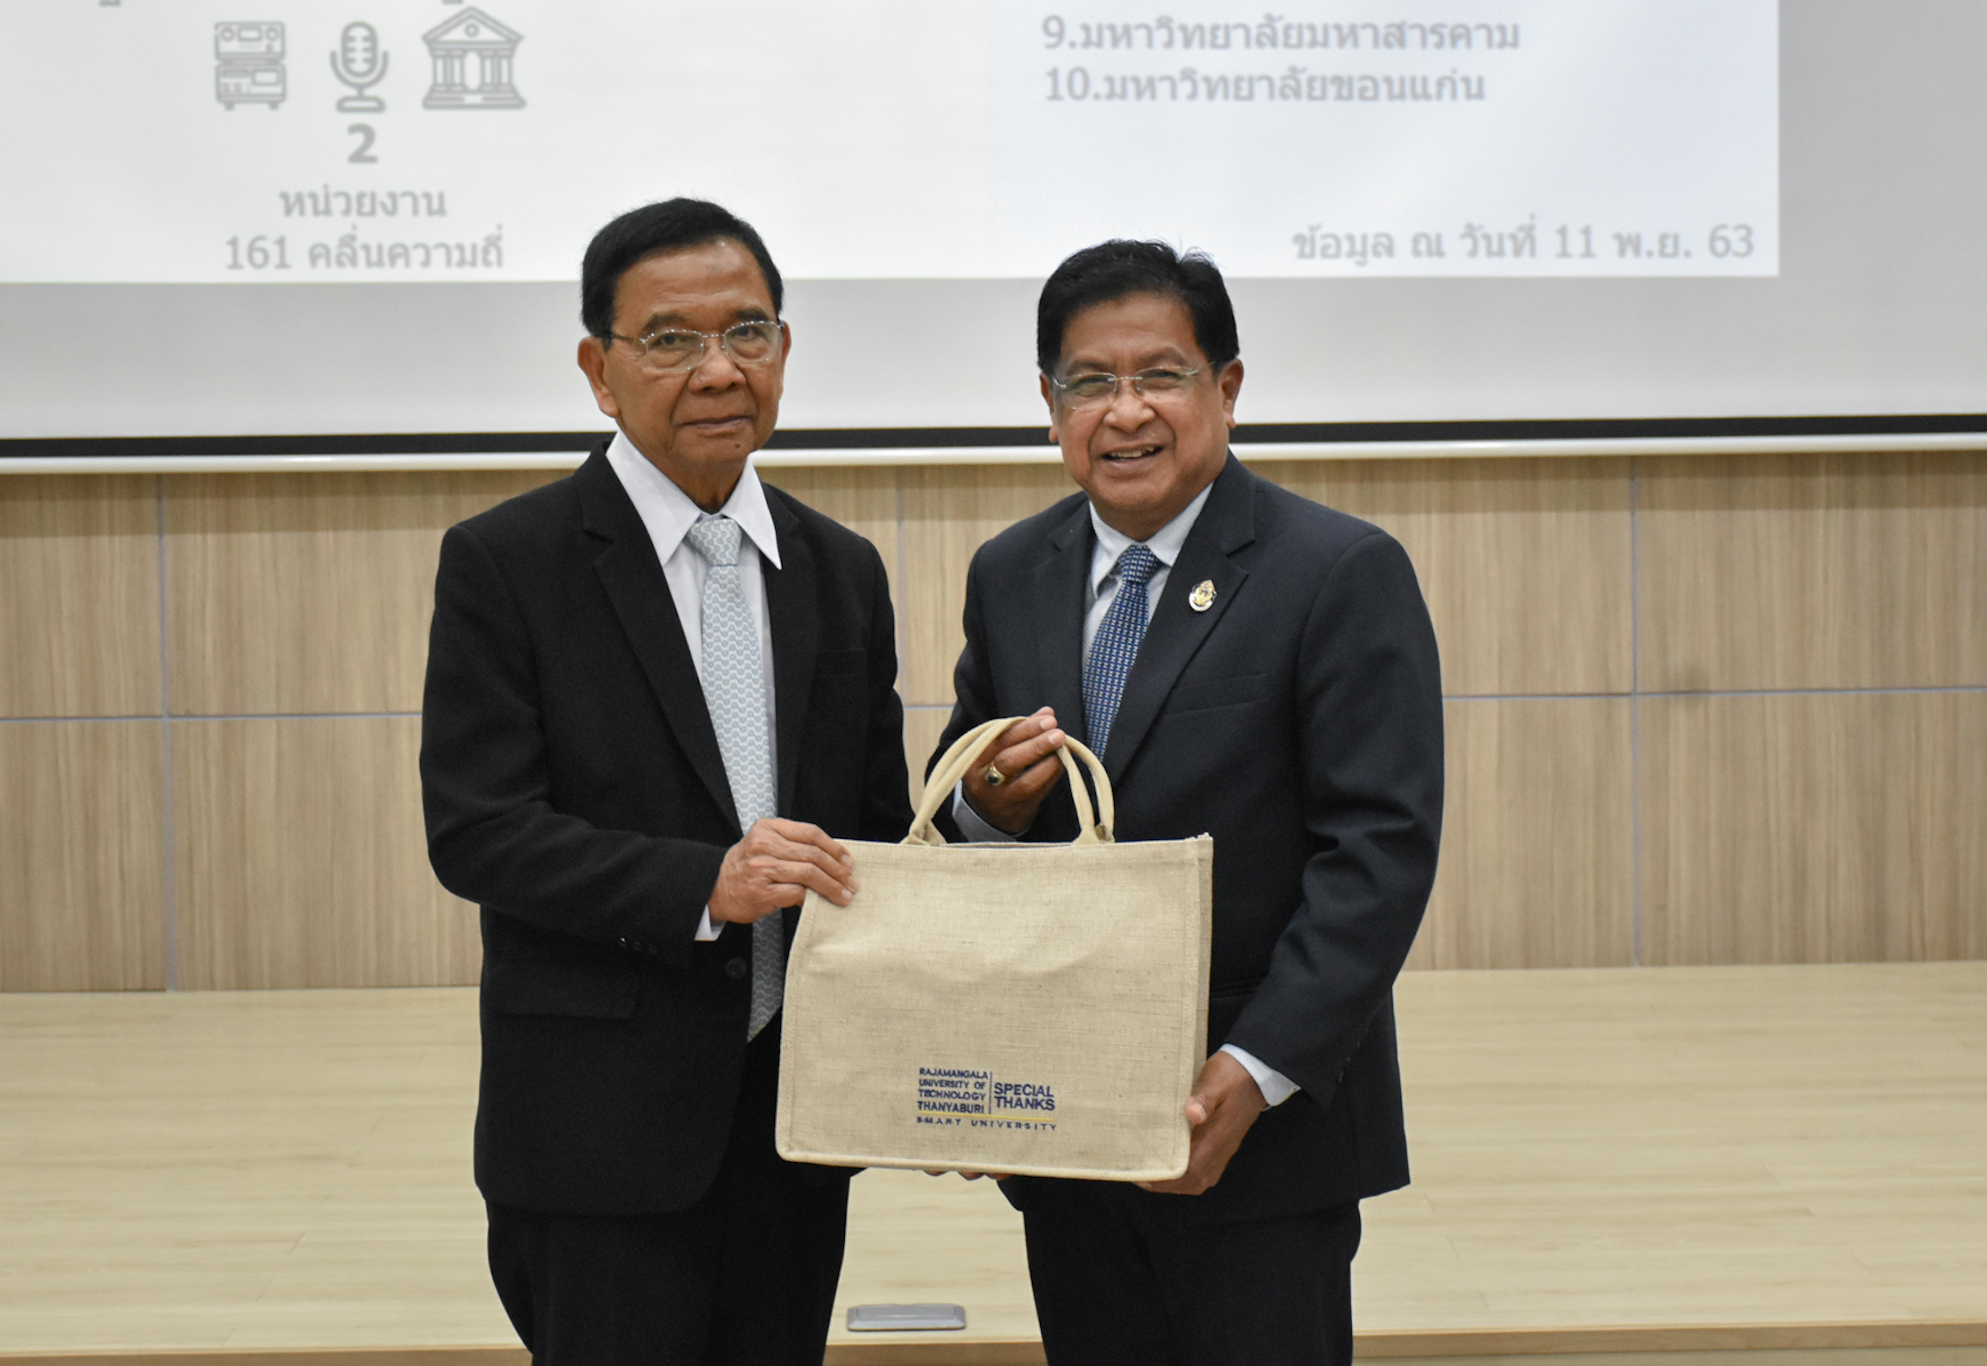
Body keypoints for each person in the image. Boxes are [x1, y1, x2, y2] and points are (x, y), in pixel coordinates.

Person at [933, 239, 1444, 1366]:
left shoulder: (1336, 570)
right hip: (1064, 1121)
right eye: (1089, 383)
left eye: (1159, 375)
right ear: (1048, 405)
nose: (1125, 412)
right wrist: (984, 806)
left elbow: (1377, 854)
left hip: (1260, 1132)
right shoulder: (1010, 571)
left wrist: (1251, 1074)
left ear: (1226, 386)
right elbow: (963, 812)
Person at [420, 197, 912, 1364]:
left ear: (783, 349)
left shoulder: (840, 571)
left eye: (747, 332)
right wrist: (705, 885)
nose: (718, 369)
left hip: (794, 1124)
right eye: (670, 339)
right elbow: (477, 830)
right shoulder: (507, 562)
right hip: (597, 1130)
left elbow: (875, 834)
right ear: (599, 371)